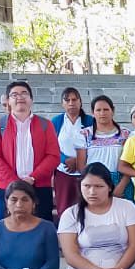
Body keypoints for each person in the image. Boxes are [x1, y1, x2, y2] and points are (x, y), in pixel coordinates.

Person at [57, 164, 135, 269]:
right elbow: (71, 255)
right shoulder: (70, 214)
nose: (92, 192)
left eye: (98, 186)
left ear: (109, 187)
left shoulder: (126, 207)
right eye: (87, 186)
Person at [0, 81, 58, 220]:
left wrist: (32, 177)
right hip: (7, 186)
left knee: (40, 227)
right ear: (8, 101)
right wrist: (16, 182)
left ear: (31, 99)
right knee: (8, 229)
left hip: (39, 186)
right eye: (14, 94)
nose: (20, 97)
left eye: (24, 93)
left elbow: (53, 155)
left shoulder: (45, 124)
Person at [51, 87, 94, 216]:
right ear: (62, 103)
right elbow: (50, 147)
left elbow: (95, 144)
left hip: (87, 172)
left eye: (74, 99)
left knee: (86, 209)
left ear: (80, 102)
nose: (71, 103)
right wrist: (65, 159)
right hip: (63, 172)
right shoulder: (56, 122)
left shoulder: (90, 121)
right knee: (64, 209)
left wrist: (79, 160)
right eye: (67, 100)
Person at [81, 96, 129, 187]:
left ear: (113, 111)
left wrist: (121, 186)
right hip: (93, 182)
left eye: (106, 109)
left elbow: (130, 164)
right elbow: (81, 165)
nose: (102, 113)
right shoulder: (85, 134)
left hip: (120, 183)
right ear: (92, 113)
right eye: (98, 110)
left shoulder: (125, 134)